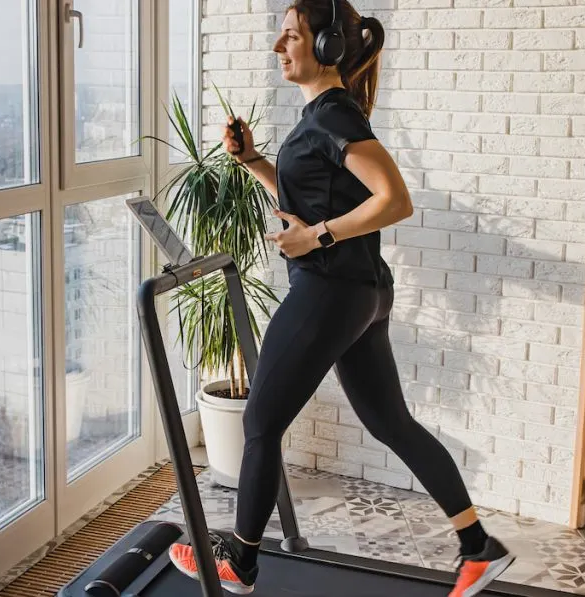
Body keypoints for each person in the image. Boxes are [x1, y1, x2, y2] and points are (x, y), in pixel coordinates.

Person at [166, 1, 515, 596]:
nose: (279, 48)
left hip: (330, 289)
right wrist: (252, 161)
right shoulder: (322, 118)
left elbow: (394, 200)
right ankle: (479, 546)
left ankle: (241, 561)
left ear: (326, 46)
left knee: (260, 421)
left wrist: (318, 236)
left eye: (291, 37)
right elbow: (312, 197)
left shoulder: (334, 117)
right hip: (361, 293)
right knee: (390, 423)